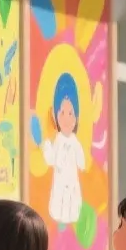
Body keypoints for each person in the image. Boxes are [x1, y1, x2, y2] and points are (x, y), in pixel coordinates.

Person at [36, 75, 87, 229]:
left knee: (71, 204)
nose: (66, 119)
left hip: (72, 185)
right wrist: (45, 145)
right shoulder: (57, 140)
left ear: (76, 117)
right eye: (62, 113)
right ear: (55, 115)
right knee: (59, 206)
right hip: (59, 183)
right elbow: (51, 159)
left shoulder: (75, 142)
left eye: (70, 113)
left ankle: (69, 218)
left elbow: (82, 162)